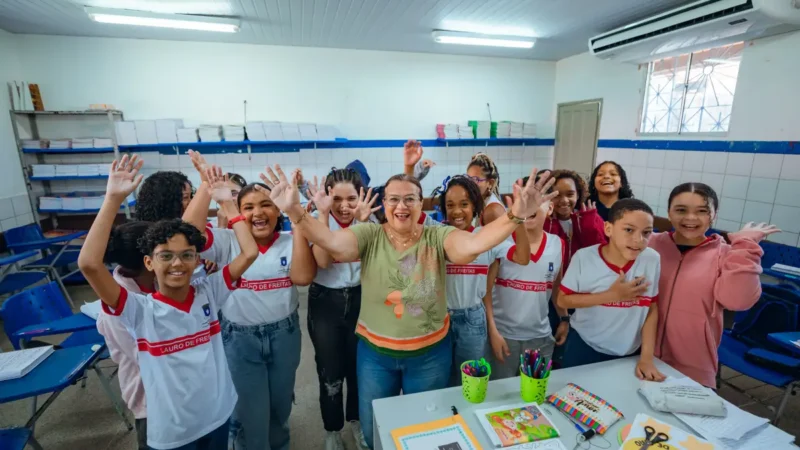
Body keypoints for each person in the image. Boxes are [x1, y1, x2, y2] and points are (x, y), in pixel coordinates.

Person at [261, 164, 557, 450]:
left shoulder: (437, 235)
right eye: (393, 199)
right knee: (372, 427)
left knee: (425, 425)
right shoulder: (369, 235)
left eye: (409, 199)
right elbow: (331, 242)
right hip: (375, 356)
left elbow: (472, 245)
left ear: (421, 204)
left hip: (429, 355)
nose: (401, 206)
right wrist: (294, 210)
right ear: (384, 203)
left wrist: (515, 216)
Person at [78, 155, 259, 450]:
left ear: (197, 259)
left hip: (218, 415)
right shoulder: (139, 309)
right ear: (148, 262)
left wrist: (228, 206)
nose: (178, 263)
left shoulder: (208, 292)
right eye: (166, 256)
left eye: (187, 255)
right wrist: (112, 200)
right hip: (174, 433)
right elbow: (89, 264)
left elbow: (249, 254)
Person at [183, 152, 316, 450]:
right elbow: (187, 233)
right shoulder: (228, 240)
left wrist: (295, 218)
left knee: (281, 406)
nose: (258, 212)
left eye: (266, 204)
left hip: (285, 335)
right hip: (240, 340)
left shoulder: (289, 239)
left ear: (277, 209)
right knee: (250, 412)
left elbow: (303, 277)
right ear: (239, 213)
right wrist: (208, 188)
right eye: (249, 207)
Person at [649, 182, 780, 387]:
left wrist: (745, 247)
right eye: (681, 210)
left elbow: (738, 301)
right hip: (641, 356)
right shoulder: (649, 244)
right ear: (669, 212)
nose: (690, 218)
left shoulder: (726, 254)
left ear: (714, 215)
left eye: (702, 211)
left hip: (694, 365)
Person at [304, 168, 377, 450]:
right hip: (325, 302)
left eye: (351, 199)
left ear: (361, 197)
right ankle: (332, 430)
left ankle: (356, 422)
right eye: (336, 199)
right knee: (329, 371)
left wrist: (361, 223)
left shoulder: (370, 220)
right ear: (326, 196)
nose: (344, 207)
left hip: (361, 298)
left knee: (359, 368)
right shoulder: (315, 221)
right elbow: (322, 261)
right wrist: (322, 216)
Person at [434, 175, 531, 385]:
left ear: (476, 206)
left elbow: (523, 258)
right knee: (439, 380)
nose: (457, 211)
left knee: (470, 381)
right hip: (439, 319)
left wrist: (519, 218)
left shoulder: (486, 236)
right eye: (450, 205)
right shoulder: (437, 235)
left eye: (464, 204)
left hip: (473, 320)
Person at [556, 199, 665, 381]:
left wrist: (646, 357)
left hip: (628, 351)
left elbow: (651, 308)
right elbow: (563, 300)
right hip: (584, 345)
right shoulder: (585, 257)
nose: (638, 240)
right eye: (629, 230)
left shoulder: (651, 259)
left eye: (646, 233)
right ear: (608, 229)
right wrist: (611, 295)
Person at [485, 175, 569, 379]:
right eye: (524, 200)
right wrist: (493, 333)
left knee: (535, 396)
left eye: (536, 201)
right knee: (500, 398)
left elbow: (556, 286)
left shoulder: (557, 244)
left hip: (540, 338)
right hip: (504, 337)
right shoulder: (501, 242)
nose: (529, 207)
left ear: (549, 209)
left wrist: (564, 318)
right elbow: (485, 293)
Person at [96, 220, 152, 450]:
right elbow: (145, 358)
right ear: (148, 261)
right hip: (150, 399)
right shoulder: (116, 306)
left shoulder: (155, 284)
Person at [543, 169, 606, 268]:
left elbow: (602, 254)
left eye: (570, 194)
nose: (564, 200)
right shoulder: (540, 220)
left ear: (578, 195)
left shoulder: (592, 218)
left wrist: (588, 226)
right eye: (557, 195)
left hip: (582, 280)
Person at [466, 153, 505, 225]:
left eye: (475, 180)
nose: (470, 184)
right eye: (468, 179)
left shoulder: (492, 211)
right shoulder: (480, 203)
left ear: (490, 183)